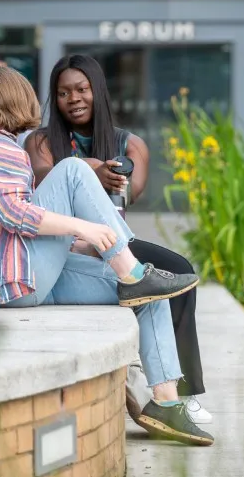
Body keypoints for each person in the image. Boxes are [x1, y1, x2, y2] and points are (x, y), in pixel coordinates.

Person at [0, 65, 214, 446]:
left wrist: (80, 242)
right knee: (72, 171)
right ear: (11, 99)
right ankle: (129, 269)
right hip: (11, 279)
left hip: (24, 275)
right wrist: (82, 227)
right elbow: (12, 212)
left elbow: (11, 226)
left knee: (152, 294)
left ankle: (166, 403)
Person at [24, 54, 213, 426]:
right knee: (148, 273)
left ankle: (185, 392)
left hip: (110, 242)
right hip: (61, 244)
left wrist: (116, 182)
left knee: (179, 272)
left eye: (81, 89)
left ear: (98, 91)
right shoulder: (41, 141)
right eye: (63, 93)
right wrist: (93, 168)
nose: (73, 98)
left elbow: (130, 192)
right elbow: (41, 175)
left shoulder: (131, 144)